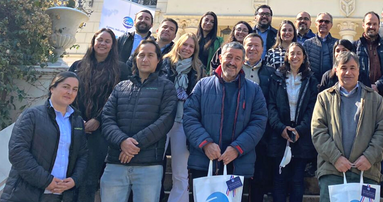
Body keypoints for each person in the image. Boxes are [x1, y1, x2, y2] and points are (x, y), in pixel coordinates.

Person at [100, 40, 177, 202]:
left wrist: (133, 145)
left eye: (150, 55)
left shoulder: (166, 87)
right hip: (116, 162)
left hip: (149, 165)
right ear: (135, 58)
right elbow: (107, 119)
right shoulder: (121, 87)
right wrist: (122, 142)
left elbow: (165, 121)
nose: (145, 59)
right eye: (141, 55)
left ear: (158, 60)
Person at [182, 41, 268, 180]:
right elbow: (189, 117)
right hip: (205, 162)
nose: (232, 62)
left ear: (243, 62)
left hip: (238, 163)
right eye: (229, 57)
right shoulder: (203, 86)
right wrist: (206, 144)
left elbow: (259, 123)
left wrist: (237, 148)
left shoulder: (254, 90)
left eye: (237, 59)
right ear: (221, 58)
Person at [311, 51, 383, 202]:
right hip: (332, 171)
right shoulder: (324, 98)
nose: (348, 72)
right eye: (343, 68)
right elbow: (318, 132)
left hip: (367, 171)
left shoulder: (375, 99)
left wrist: (369, 157)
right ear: (336, 70)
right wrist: (336, 158)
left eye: (353, 68)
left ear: (359, 71)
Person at [1, 72, 88, 202]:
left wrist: (75, 180)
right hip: (25, 194)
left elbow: (83, 155)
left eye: (74, 89)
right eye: (66, 87)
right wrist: (46, 181)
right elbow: (17, 152)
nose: (70, 92)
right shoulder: (32, 115)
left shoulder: (77, 122)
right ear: (52, 88)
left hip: (60, 196)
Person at [69, 29, 130, 202]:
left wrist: (98, 119)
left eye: (107, 41)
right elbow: (68, 94)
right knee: (69, 173)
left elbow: (121, 100)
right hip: (75, 126)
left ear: (113, 46)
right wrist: (78, 118)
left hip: (102, 131)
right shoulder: (77, 66)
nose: (102, 44)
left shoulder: (121, 69)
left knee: (90, 177)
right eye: (99, 40)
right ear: (93, 42)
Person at [354, 12, 383, 200]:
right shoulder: (354, 47)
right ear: (363, 25)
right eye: (368, 24)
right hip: (360, 98)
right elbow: (352, 69)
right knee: (360, 140)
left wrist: (378, 85)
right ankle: (361, 180)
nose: (371, 27)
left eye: (374, 24)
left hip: (382, 99)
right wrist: (366, 86)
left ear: (379, 25)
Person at [268, 43, 318, 202]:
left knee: (297, 180)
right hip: (279, 135)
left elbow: (313, 108)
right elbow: (271, 105)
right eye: (292, 53)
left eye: (298, 53)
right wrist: (281, 128)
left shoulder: (311, 80)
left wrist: (300, 130)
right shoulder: (276, 78)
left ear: (304, 57)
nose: (295, 56)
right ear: (287, 57)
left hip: (301, 136)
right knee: (279, 179)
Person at [160, 33, 205, 202]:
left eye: (191, 46)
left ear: (195, 50)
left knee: (180, 171)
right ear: (178, 45)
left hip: (183, 122)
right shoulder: (164, 63)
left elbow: (199, 97)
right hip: (162, 120)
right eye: (184, 44)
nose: (187, 48)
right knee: (155, 167)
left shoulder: (198, 69)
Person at [241, 33, 276, 202]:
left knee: (259, 177)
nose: (253, 49)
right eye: (249, 45)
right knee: (237, 177)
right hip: (236, 130)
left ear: (262, 49)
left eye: (256, 45)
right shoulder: (235, 68)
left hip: (262, 132)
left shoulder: (270, 72)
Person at [303, 12, 337, 82]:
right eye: (320, 21)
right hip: (311, 84)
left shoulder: (336, 44)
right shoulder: (307, 44)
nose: (323, 23)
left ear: (331, 25)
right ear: (316, 24)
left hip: (331, 84)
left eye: (327, 22)